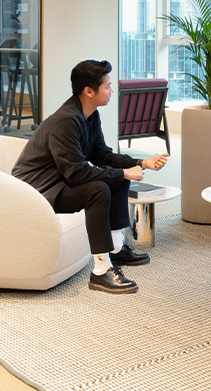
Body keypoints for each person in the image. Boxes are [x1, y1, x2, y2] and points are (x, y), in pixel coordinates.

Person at [12, 60, 169, 294]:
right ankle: (100, 271)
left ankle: (115, 250)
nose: (111, 91)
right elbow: (77, 173)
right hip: (37, 188)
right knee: (98, 189)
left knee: (115, 178)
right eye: (107, 87)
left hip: (59, 179)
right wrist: (124, 172)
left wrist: (140, 162)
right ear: (88, 91)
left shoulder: (90, 115)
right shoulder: (66, 120)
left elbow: (102, 156)